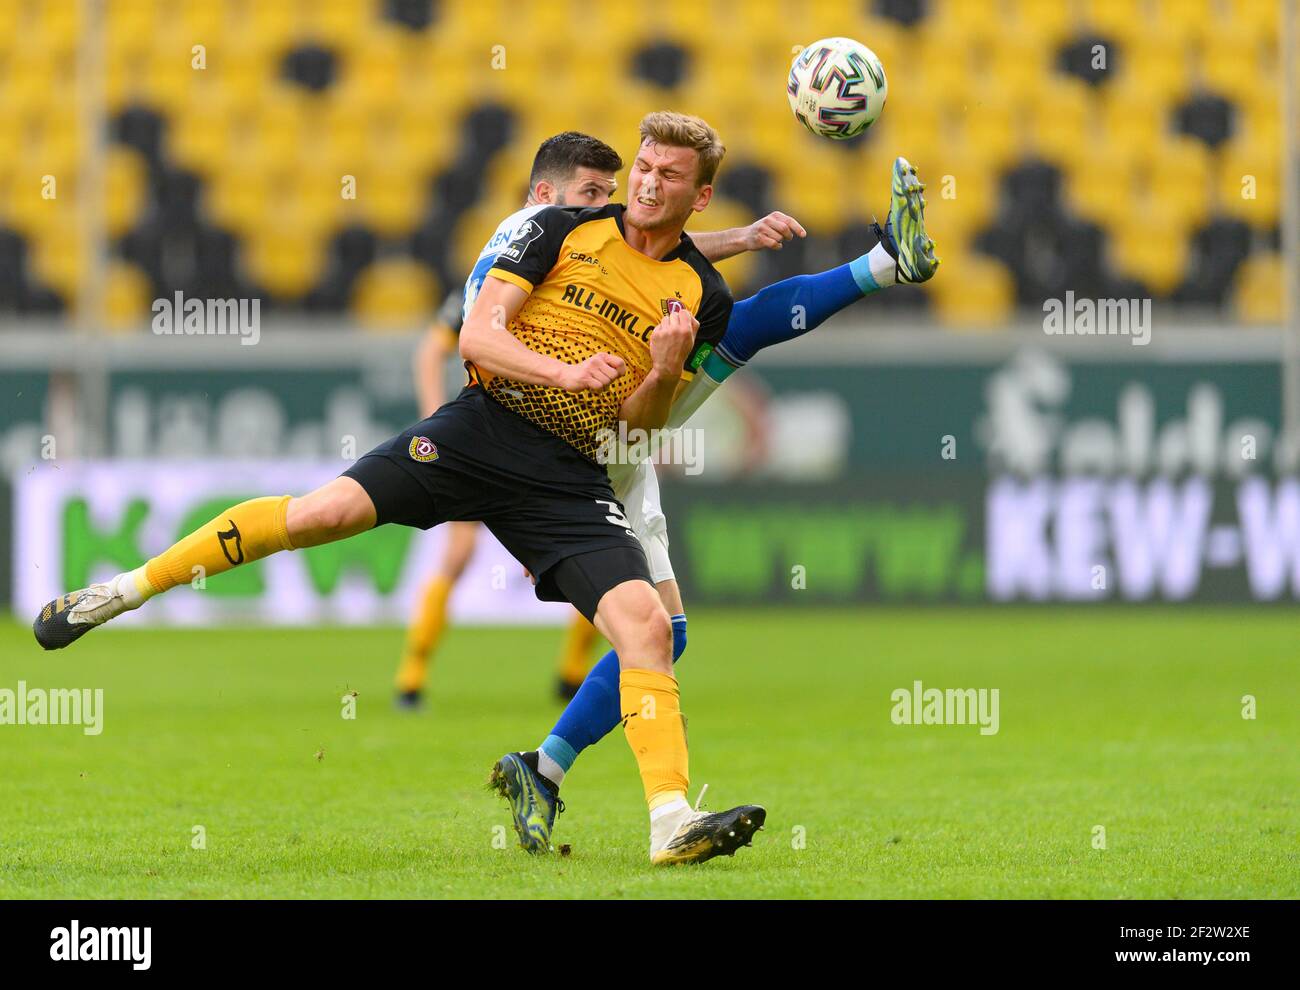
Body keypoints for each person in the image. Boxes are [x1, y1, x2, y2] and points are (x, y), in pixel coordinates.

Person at [33, 112, 773, 867]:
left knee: (648, 626)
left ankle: (670, 821)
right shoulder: (559, 229)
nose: (648, 181)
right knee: (323, 513)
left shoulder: (701, 298)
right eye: (644, 165)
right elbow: (476, 338)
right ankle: (119, 593)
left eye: (667, 174)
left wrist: (658, 370)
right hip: (483, 429)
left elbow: (638, 428)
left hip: (568, 476)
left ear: (700, 194)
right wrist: (562, 371)